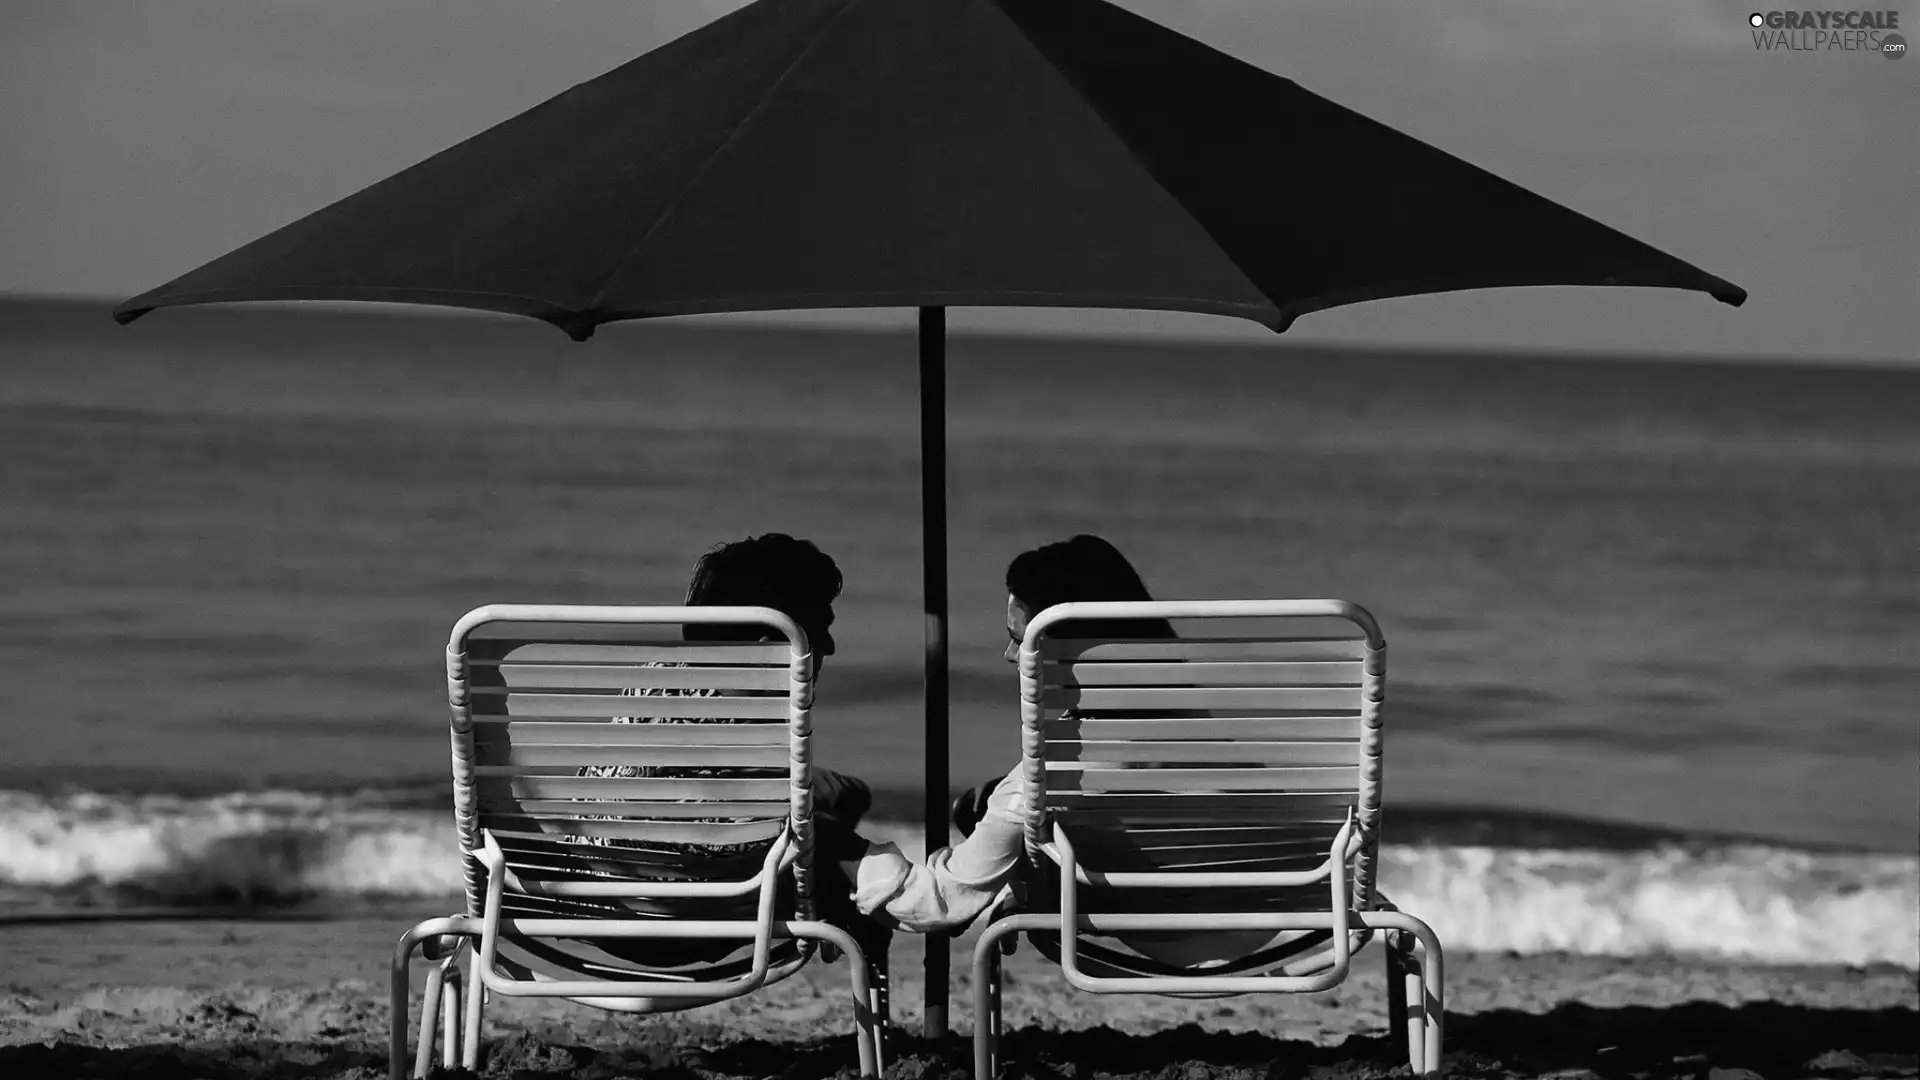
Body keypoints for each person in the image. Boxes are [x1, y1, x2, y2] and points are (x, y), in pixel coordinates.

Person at [833, 534, 1272, 968]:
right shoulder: (1209, 738)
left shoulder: (1052, 772)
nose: (1008, 654)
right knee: (995, 809)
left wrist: (839, 844)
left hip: (1152, 931)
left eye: (1021, 639)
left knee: (1001, 812)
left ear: (1069, 648)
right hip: (1258, 922)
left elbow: (934, 905)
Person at [575, 533, 884, 963]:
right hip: (689, 921)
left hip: (588, 910)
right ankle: (879, 1012)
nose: (829, 646)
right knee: (836, 856)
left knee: (825, 808)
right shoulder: (750, 707)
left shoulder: (651, 683)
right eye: (819, 627)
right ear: (773, 639)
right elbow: (739, 843)